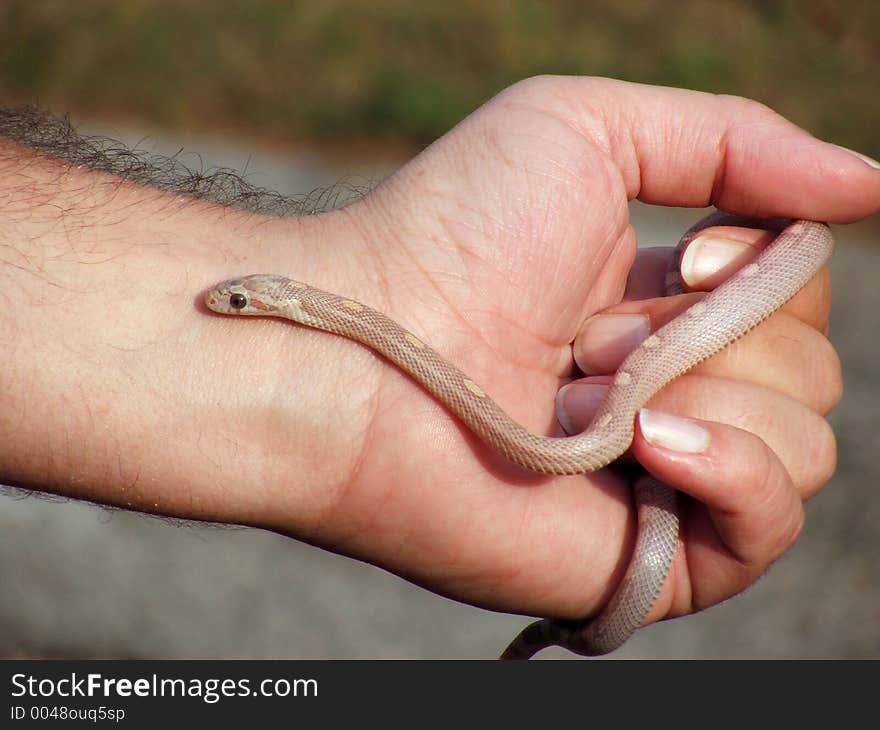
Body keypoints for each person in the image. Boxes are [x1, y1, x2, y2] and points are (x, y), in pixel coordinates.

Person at [0, 76, 876, 638]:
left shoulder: (331, 309)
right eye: (237, 302)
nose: (225, 307)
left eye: (238, 300)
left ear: (275, 304)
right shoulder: (326, 316)